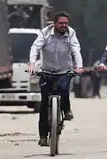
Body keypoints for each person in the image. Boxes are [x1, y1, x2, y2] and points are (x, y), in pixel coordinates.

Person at [28, 11, 84, 146]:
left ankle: (66, 109)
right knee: (43, 105)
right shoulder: (45, 33)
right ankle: (43, 136)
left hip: (64, 71)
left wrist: (79, 67)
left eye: (66, 23)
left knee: (63, 89)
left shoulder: (71, 33)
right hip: (47, 71)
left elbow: (76, 50)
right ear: (54, 23)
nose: (64, 25)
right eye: (61, 23)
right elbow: (35, 47)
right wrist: (32, 63)